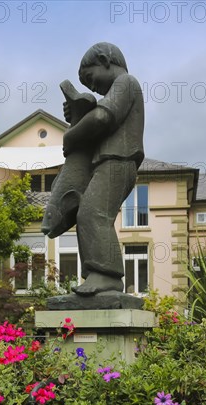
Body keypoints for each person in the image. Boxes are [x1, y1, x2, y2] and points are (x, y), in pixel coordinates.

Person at [62, 42, 144, 295]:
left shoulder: (126, 82)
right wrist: (76, 114)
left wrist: (72, 135)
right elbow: (96, 119)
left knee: (92, 214)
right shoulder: (118, 89)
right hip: (109, 162)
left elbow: (101, 119)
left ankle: (107, 276)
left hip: (119, 160)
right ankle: (97, 275)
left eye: (90, 77)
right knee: (87, 214)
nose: (92, 86)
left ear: (104, 60)